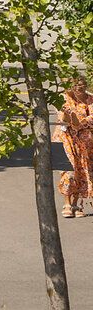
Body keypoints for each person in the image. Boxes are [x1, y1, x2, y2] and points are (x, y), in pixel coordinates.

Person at [60, 77, 93, 218]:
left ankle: (77, 202)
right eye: (77, 85)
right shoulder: (64, 99)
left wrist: (79, 122)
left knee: (85, 170)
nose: (80, 87)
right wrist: (70, 118)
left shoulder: (90, 99)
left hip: (86, 140)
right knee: (69, 169)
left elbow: (90, 118)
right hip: (67, 138)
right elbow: (63, 119)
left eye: (83, 85)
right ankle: (67, 202)